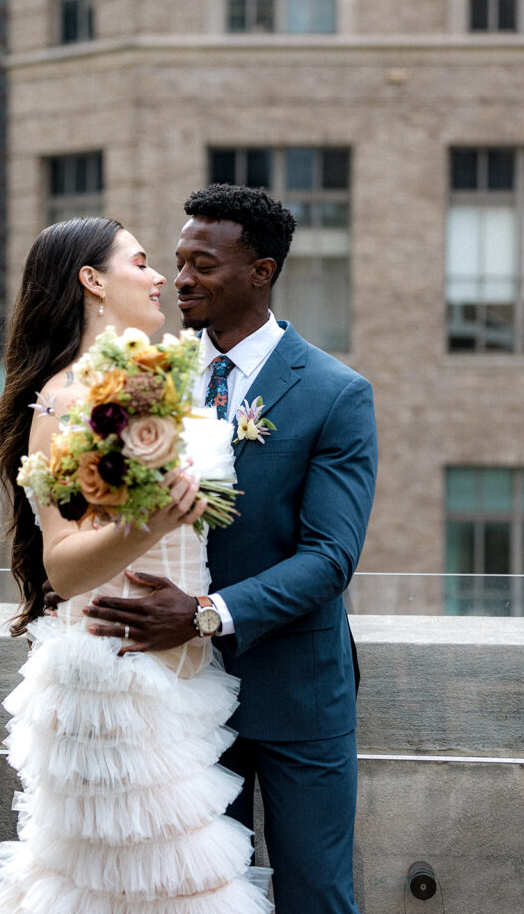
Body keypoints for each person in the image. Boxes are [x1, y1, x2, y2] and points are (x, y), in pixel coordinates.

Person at [0, 216, 273, 914]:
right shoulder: (66, 400)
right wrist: (152, 521)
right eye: (141, 262)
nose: (160, 277)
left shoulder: (143, 383)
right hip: (114, 680)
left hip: (178, 674)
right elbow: (64, 568)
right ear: (92, 281)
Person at [81, 185, 378, 914]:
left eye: (202, 264)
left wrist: (208, 613)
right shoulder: (148, 383)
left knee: (316, 895)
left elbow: (330, 557)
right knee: (197, 898)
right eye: (177, 262)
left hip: (296, 697)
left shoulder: (336, 394)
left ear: (261, 271)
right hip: (175, 695)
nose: (181, 279)